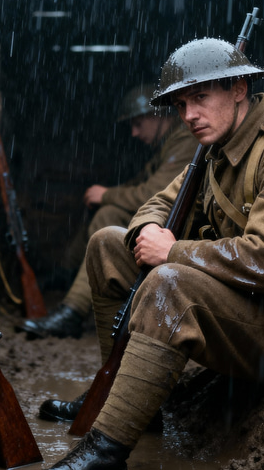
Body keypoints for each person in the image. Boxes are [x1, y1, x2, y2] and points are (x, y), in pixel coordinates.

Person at [18, 37, 264, 470]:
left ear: (239, 88)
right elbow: (155, 204)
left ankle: (103, 458)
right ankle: (131, 404)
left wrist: (172, 251)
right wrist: (150, 232)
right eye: (180, 104)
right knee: (108, 244)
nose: (188, 114)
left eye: (200, 98)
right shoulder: (216, 149)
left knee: (171, 284)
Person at [17, 84, 196, 341]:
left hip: (181, 233)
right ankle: (68, 274)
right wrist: (105, 193)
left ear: (156, 116)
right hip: (166, 224)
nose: (133, 133)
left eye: (137, 123)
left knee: (107, 215)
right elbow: (140, 182)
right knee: (104, 209)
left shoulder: (184, 141)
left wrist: (107, 195)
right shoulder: (171, 142)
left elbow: (153, 192)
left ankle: (72, 311)